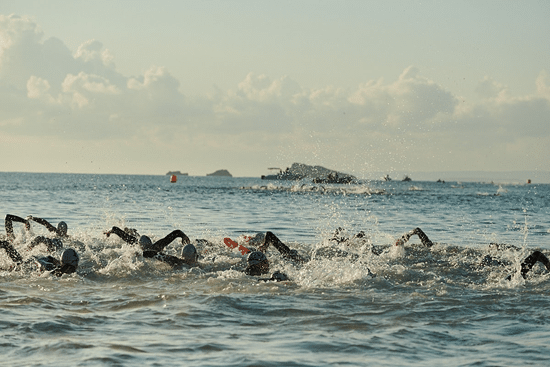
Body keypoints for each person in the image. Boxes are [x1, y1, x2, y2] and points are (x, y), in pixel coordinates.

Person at [104, 226, 196, 267]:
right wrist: (184, 236)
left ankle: (132, 231)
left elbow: (116, 229)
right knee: (134, 236)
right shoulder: (138, 243)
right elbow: (176, 233)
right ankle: (131, 231)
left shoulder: (153, 247)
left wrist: (109, 232)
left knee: (132, 237)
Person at [1, 239, 79, 276]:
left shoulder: (54, 266)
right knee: (6, 245)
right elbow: (43, 262)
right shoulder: (51, 266)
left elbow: (46, 261)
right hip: (24, 265)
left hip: (26, 264)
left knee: (6, 244)